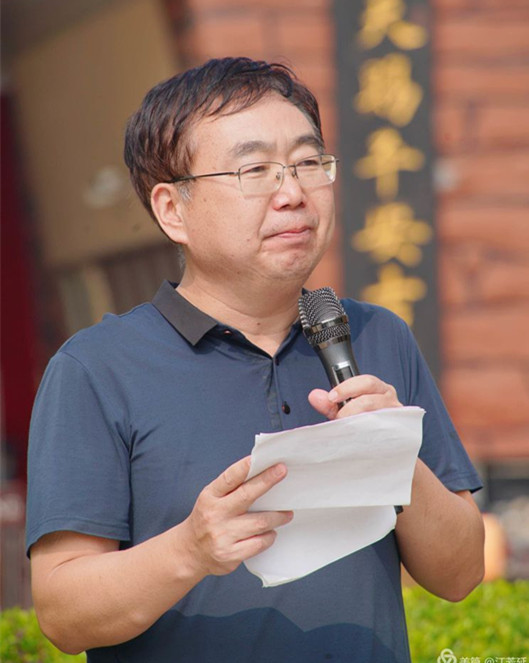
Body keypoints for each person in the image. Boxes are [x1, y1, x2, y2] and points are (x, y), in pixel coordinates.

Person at [26, 57, 485, 663]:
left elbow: (461, 574)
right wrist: (189, 550)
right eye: (254, 170)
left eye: (308, 163)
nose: (293, 194)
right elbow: (63, 615)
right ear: (172, 209)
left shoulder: (377, 336)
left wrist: (394, 457)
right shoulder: (98, 369)